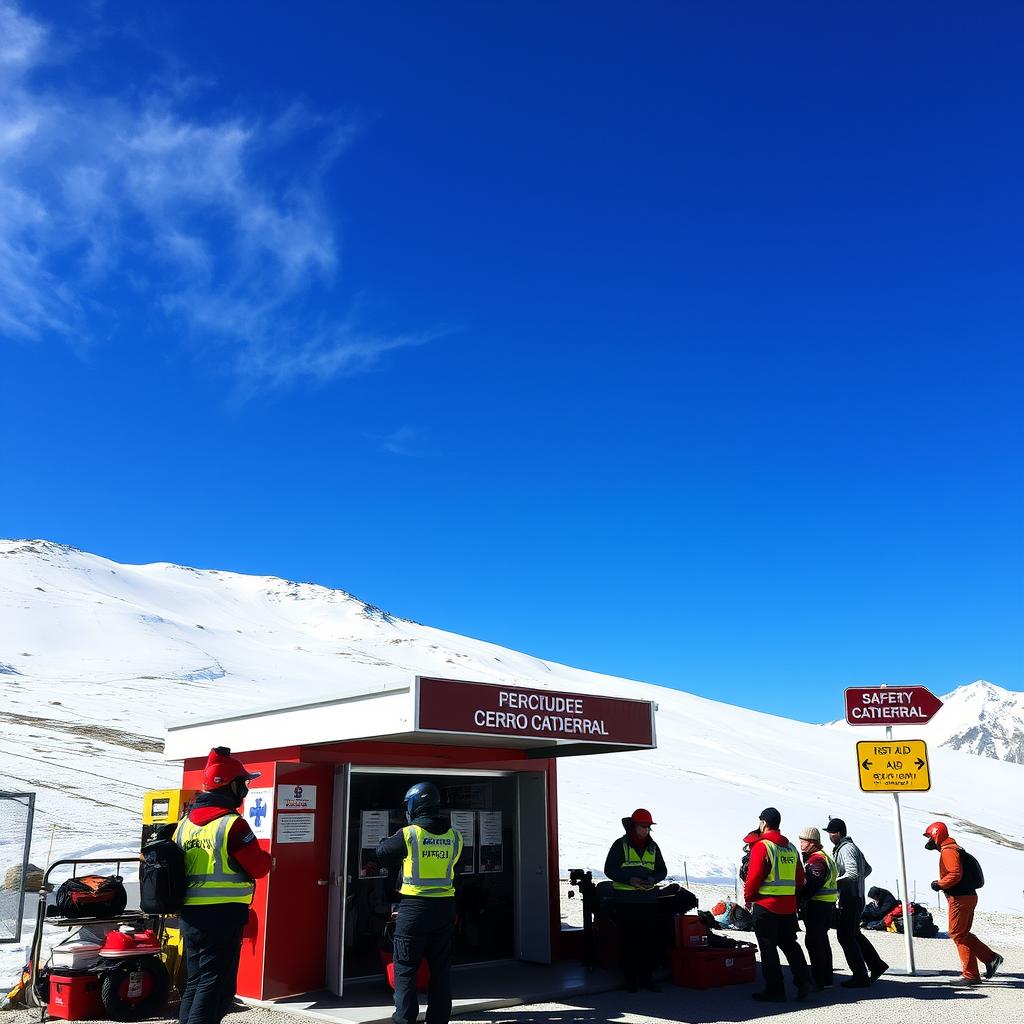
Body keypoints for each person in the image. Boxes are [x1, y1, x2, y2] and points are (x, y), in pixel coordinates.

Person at [175, 746, 272, 1024]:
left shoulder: (185, 824)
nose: (245, 791)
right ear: (229, 785)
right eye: (242, 784)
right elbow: (258, 867)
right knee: (214, 985)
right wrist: (266, 857)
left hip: (191, 915)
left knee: (196, 981)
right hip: (222, 916)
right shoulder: (232, 825)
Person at [374, 782, 463, 1024]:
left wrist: (387, 837)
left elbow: (381, 853)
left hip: (415, 909)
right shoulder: (455, 837)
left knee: (405, 970)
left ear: (415, 805)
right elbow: (457, 870)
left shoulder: (409, 834)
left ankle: (404, 1020)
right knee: (441, 970)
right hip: (445, 909)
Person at [743, 807, 812, 1002]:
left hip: (766, 906)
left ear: (763, 823)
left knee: (768, 948)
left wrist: (749, 897)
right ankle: (804, 980)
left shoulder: (762, 846)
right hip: (788, 907)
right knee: (790, 945)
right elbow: (800, 879)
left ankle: (775, 989)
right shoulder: (790, 847)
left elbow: (754, 877)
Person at [923, 821, 1003, 985]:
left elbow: (955, 874)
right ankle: (991, 959)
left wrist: (939, 884)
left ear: (937, 835)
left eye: (930, 836)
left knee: (957, 934)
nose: (929, 840)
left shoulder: (948, 851)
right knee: (962, 934)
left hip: (960, 898)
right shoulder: (955, 848)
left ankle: (971, 975)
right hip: (968, 896)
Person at [603, 808, 668, 992]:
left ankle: (647, 979)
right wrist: (629, 879)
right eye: (642, 826)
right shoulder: (620, 845)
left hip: (648, 901)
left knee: (648, 941)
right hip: (626, 902)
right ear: (633, 826)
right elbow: (609, 869)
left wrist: (653, 880)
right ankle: (630, 980)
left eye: (648, 827)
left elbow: (662, 870)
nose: (646, 830)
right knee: (629, 941)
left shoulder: (653, 847)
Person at [825, 817, 887, 987]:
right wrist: (859, 883)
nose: (829, 836)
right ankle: (876, 965)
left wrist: (834, 884)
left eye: (831, 833)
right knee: (853, 934)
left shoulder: (845, 849)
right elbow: (867, 869)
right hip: (856, 897)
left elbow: (852, 873)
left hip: (850, 898)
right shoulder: (852, 847)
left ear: (838, 833)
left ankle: (860, 975)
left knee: (845, 937)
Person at [797, 826, 836, 990]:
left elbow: (813, 883)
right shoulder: (823, 857)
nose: (800, 844)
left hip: (818, 905)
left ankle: (819, 978)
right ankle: (826, 978)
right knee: (822, 940)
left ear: (812, 842)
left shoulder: (817, 860)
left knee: (814, 942)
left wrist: (801, 898)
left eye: (803, 841)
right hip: (826, 905)